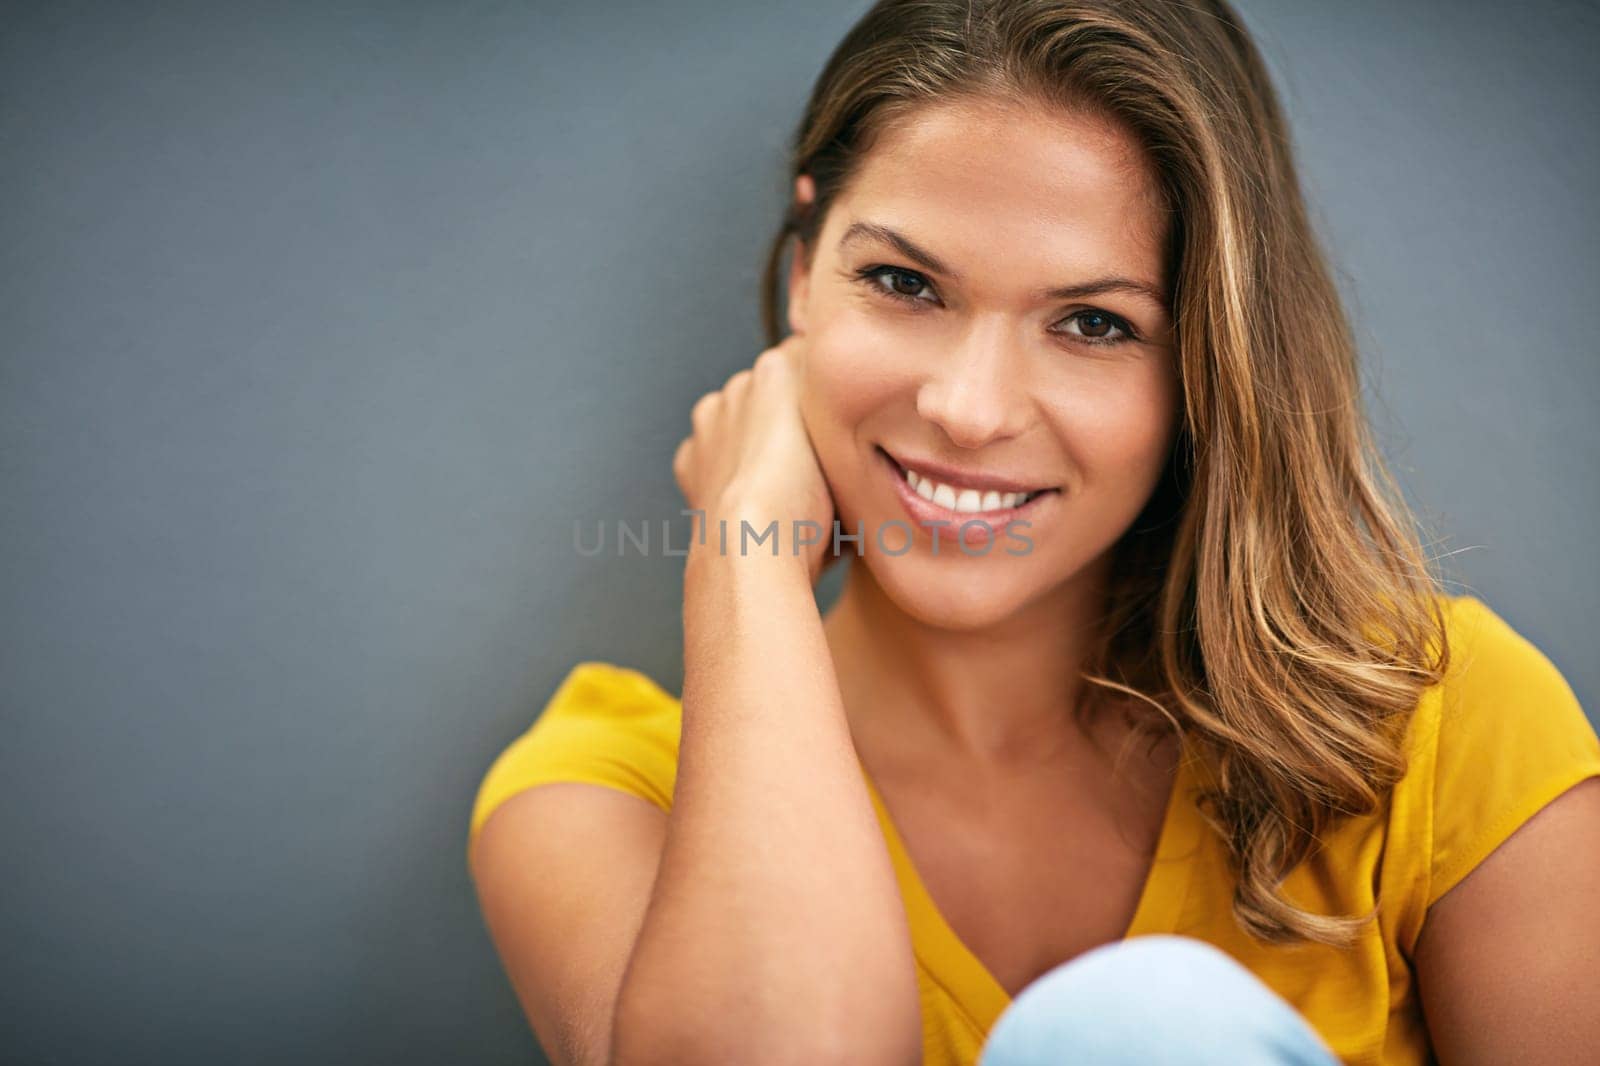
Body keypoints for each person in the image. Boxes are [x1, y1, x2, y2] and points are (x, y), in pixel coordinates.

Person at [467, 1, 1600, 1063]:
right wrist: (744, 552)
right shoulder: (601, 795)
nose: (970, 408)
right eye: (905, 282)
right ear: (807, 276)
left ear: (1206, 360)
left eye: (1095, 322)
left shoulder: (1438, 729)